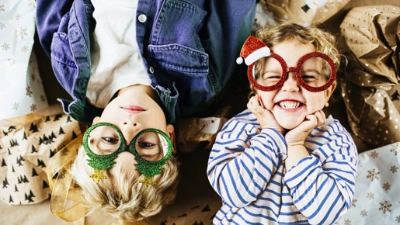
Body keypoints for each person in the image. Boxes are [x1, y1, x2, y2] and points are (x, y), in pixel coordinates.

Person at [35, 0, 257, 223]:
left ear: (93, 129)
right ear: (169, 137)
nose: (130, 128)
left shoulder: (69, 68)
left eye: (110, 139)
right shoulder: (203, 83)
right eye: (146, 145)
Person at [207, 22, 358, 224]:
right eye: (274, 77)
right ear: (257, 89)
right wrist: (271, 134)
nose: (290, 85)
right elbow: (234, 194)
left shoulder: (336, 141)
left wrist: (296, 146)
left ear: (327, 92)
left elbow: (327, 214)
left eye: (307, 77)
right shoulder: (239, 127)